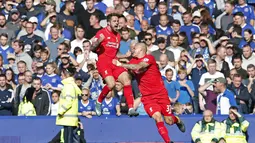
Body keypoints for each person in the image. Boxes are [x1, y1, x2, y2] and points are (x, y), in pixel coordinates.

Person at [112, 43, 185, 143]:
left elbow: (138, 66)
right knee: (157, 117)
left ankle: (177, 120)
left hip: (161, 94)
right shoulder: (132, 61)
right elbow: (129, 73)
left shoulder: (149, 58)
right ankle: (168, 141)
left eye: (135, 48)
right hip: (147, 97)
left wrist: (121, 64)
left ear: (141, 50)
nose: (132, 50)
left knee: (169, 121)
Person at [90, 13, 138, 116]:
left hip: (114, 62)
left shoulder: (118, 36)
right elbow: (92, 48)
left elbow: (115, 53)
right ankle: (99, 101)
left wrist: (125, 56)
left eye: (118, 21)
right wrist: (99, 41)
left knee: (126, 80)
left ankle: (130, 108)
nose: (117, 23)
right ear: (108, 22)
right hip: (103, 62)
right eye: (114, 21)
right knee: (111, 84)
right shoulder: (101, 33)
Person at [56, 65, 82, 143]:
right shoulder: (71, 85)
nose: (60, 76)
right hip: (71, 119)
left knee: (68, 140)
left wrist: (61, 111)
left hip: (67, 118)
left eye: (62, 75)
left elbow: (68, 101)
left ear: (66, 75)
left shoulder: (68, 87)